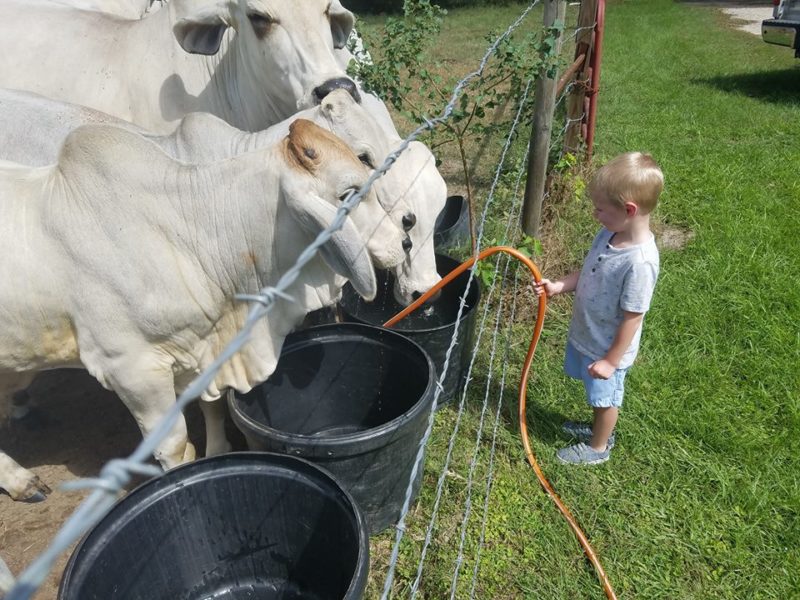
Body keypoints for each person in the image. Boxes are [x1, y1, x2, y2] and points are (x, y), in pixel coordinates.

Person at [534, 152, 664, 465]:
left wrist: (610, 361)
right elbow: (588, 270)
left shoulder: (639, 262)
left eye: (601, 209)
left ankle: (599, 447)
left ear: (629, 210)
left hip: (608, 348)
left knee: (606, 398)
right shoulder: (609, 234)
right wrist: (560, 286)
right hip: (590, 336)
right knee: (596, 395)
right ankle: (596, 430)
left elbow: (633, 317)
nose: (596, 215)